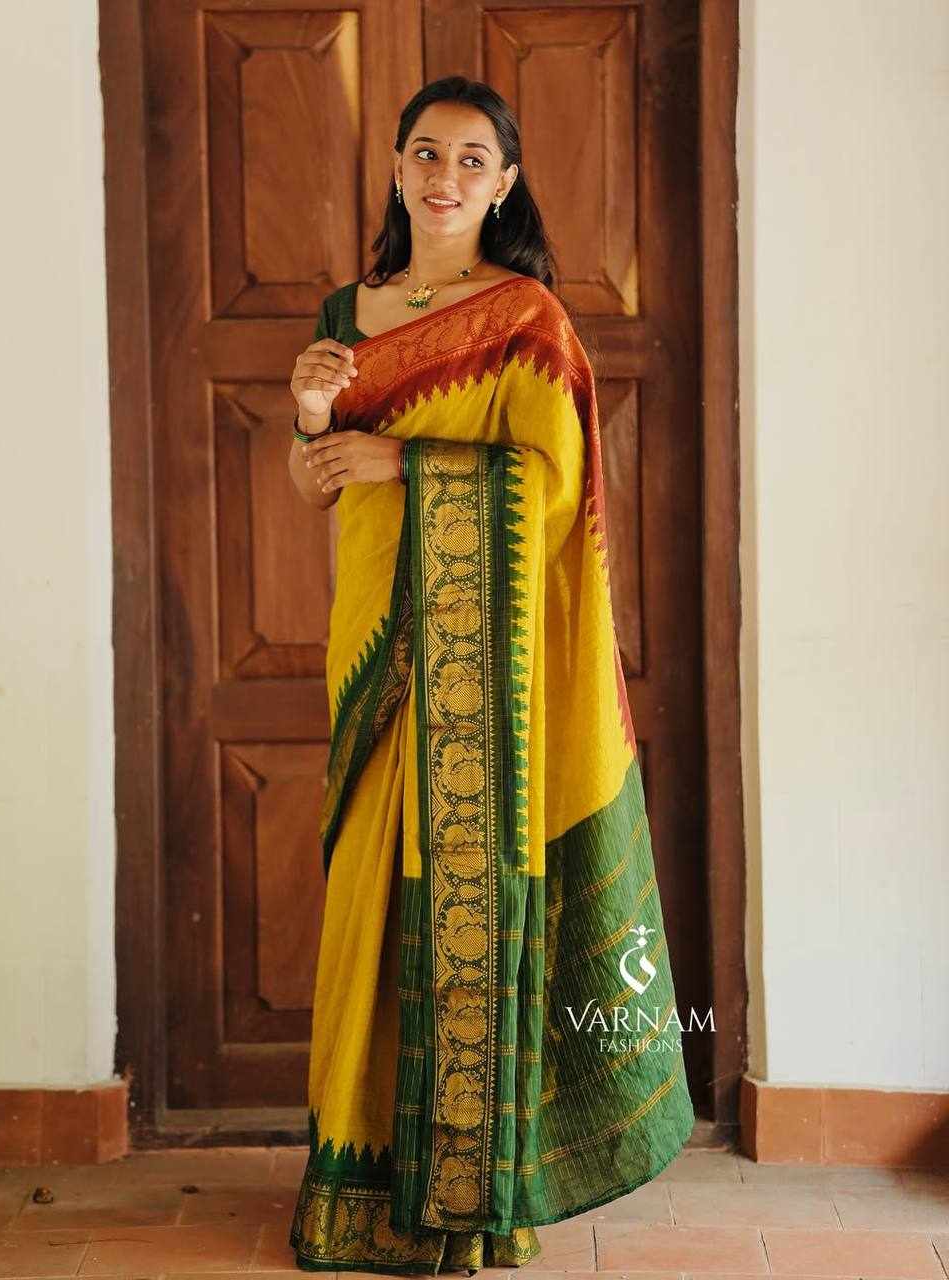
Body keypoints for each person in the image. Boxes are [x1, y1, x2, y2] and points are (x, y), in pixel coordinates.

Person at [285, 75, 695, 1276]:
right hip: (373, 648)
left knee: (459, 902)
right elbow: (318, 481)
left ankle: (461, 1190)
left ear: (505, 184)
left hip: (481, 676)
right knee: (366, 906)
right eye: (426, 152)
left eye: (473, 159)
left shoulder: (526, 320)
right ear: (396, 167)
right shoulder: (345, 313)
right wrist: (310, 421)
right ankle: (357, 1181)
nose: (445, 176)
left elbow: (554, 486)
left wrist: (403, 462)